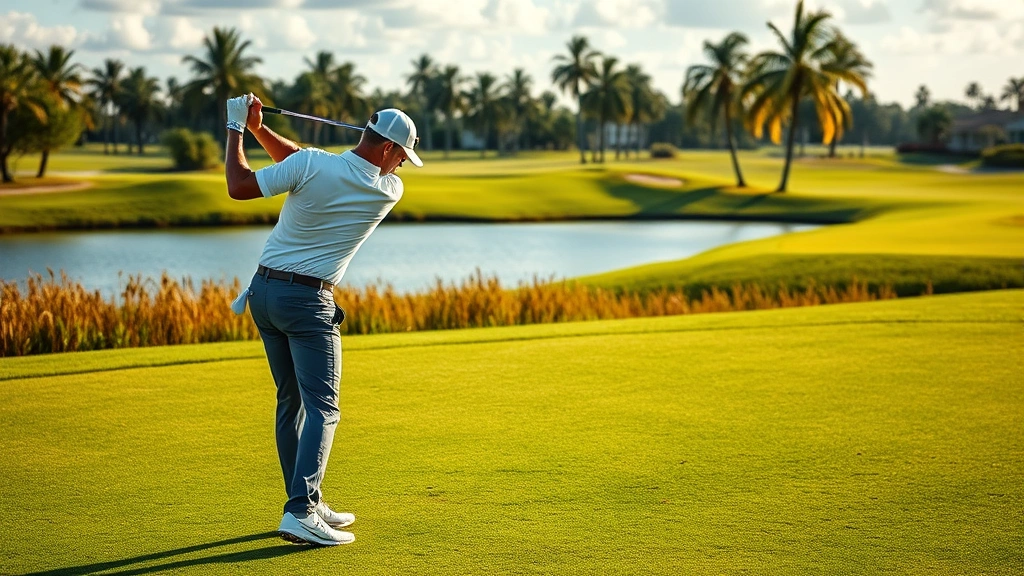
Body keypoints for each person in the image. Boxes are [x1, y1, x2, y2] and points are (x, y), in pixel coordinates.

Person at [223, 93, 422, 546]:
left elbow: (255, 180)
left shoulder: (315, 166)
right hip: (308, 304)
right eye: (403, 157)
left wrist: (240, 126)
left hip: (264, 294)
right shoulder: (385, 189)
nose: (403, 167)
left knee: (290, 401)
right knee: (323, 407)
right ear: (388, 150)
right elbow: (299, 164)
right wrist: (250, 129)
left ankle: (305, 497)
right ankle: (300, 510)